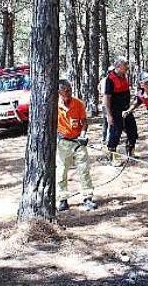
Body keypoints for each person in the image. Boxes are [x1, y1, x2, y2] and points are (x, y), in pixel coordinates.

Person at [56, 80, 98, 211]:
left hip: (78, 142)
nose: (69, 93)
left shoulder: (78, 104)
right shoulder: (54, 105)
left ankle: (88, 197)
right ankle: (63, 199)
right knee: (61, 171)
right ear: (59, 92)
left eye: (70, 90)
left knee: (84, 169)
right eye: (65, 91)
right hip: (63, 142)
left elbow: (84, 122)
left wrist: (83, 135)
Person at [103, 57, 138, 164]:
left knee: (133, 131)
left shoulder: (124, 76)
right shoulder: (110, 79)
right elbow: (107, 98)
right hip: (115, 111)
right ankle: (112, 157)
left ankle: (130, 153)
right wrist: (109, 115)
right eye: (125, 65)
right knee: (115, 133)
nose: (127, 67)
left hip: (126, 110)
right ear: (118, 67)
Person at [98, 66, 115, 145]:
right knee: (109, 122)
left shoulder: (102, 80)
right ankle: (108, 139)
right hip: (107, 104)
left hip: (104, 104)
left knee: (105, 122)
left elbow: (99, 89)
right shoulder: (110, 80)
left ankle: (104, 138)